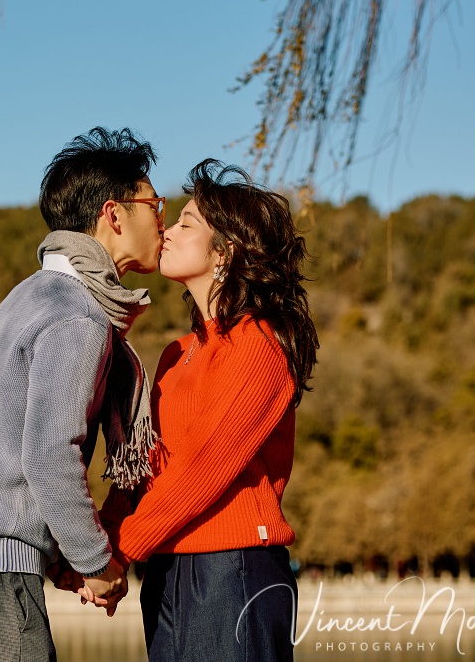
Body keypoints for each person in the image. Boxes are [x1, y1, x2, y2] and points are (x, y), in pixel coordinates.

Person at [0, 126, 165, 662]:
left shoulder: (20, 303)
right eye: (154, 203)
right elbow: (48, 456)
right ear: (114, 215)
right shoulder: (76, 314)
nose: (162, 218)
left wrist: (64, 556)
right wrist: (96, 562)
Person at [93, 159, 319, 661]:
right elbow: (146, 467)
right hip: (169, 571)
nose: (166, 230)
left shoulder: (259, 344)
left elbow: (203, 469)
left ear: (227, 250)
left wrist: (118, 552)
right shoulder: (176, 354)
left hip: (234, 570)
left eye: (186, 223)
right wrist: (96, 545)